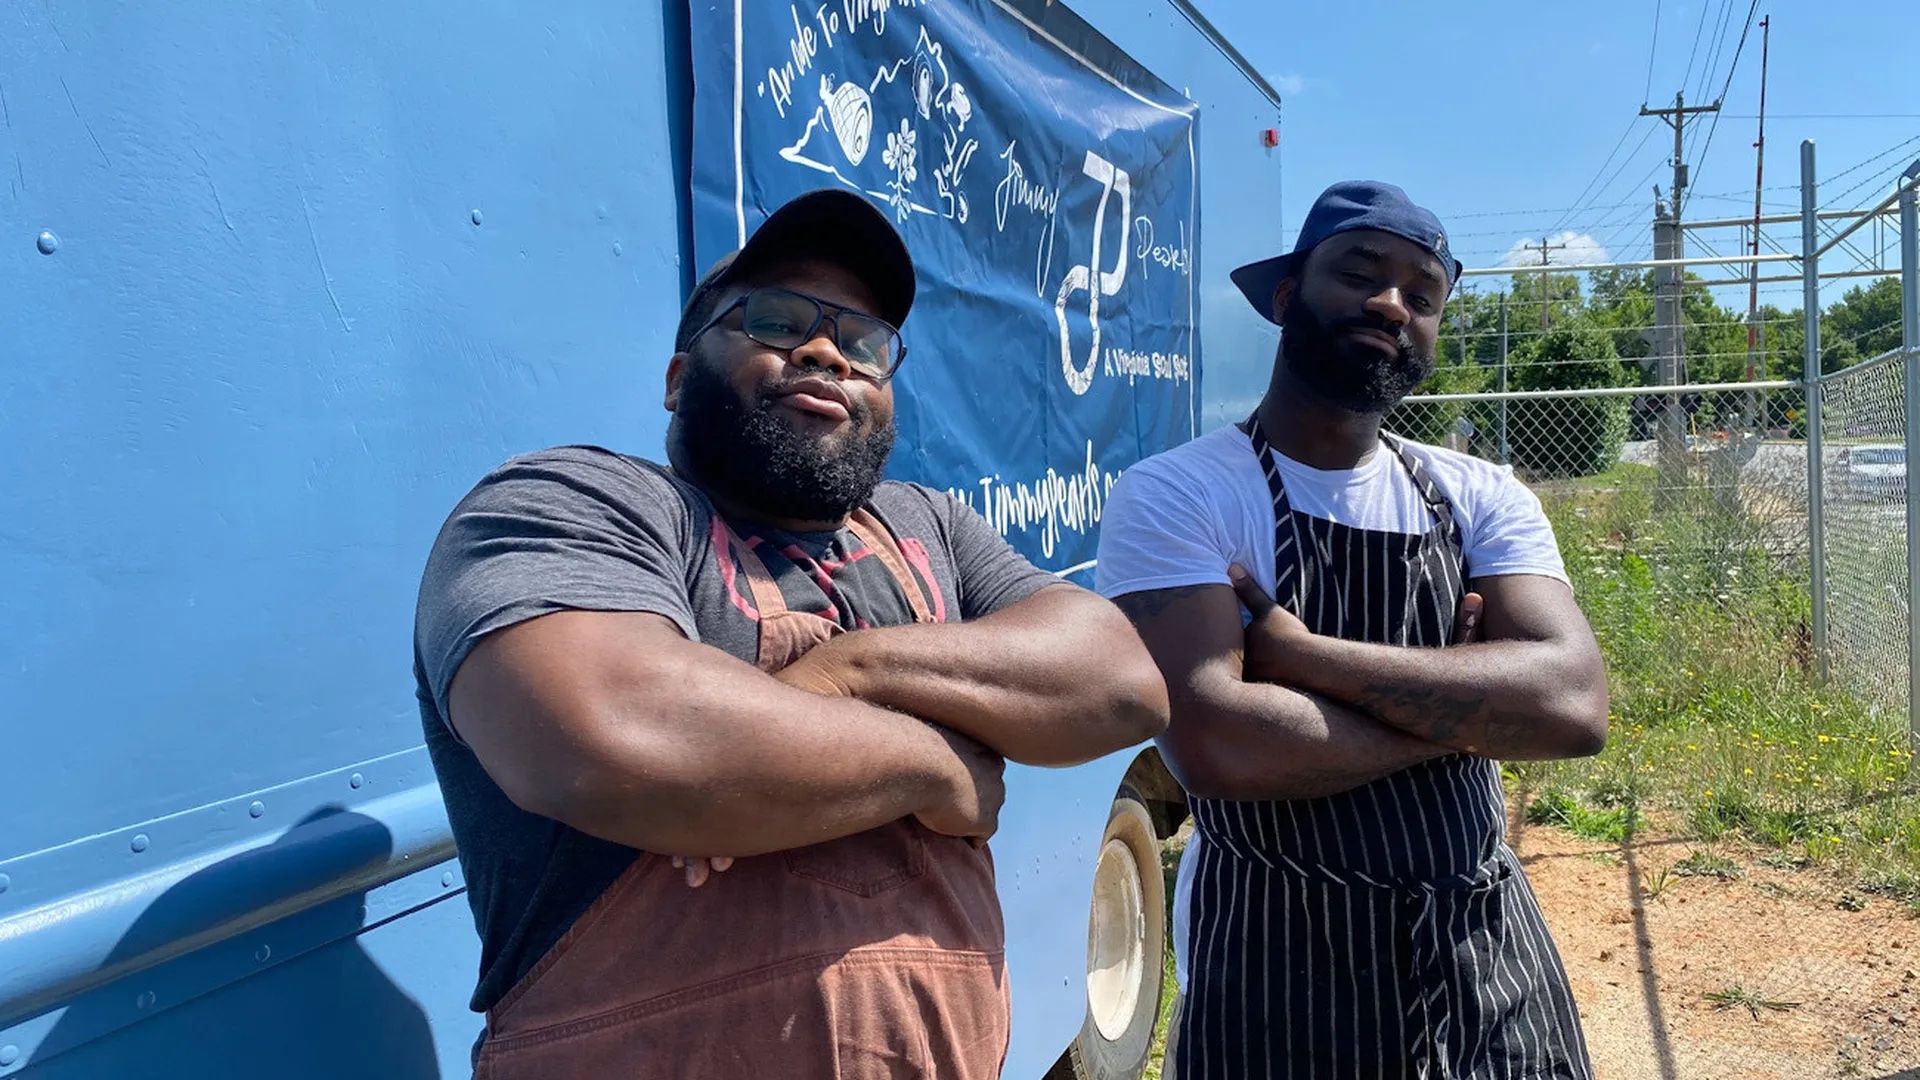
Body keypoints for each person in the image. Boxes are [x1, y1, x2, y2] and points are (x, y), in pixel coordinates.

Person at [413, 188, 1169, 1078]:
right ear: (677, 376)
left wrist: (853, 669)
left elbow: (1122, 678)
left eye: (863, 342)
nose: (825, 352)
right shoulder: (575, 505)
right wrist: (939, 766)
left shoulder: (926, 527)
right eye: (773, 320)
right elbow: (615, 731)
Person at [1095, 181, 1608, 1079]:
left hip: (1482, 953)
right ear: (1288, 295)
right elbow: (1220, 747)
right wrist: (1470, 703)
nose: (1391, 303)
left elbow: (1571, 707)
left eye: (1423, 292)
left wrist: (1306, 658)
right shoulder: (1181, 494)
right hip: (1279, 964)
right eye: (1360, 273)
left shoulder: (1480, 495)